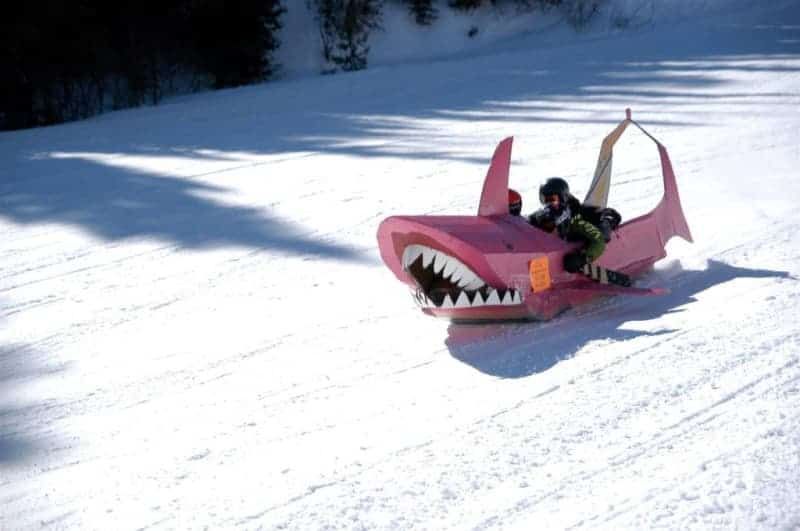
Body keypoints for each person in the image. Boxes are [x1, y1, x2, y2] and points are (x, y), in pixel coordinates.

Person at [527, 177, 621, 273]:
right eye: (544, 199)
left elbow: (599, 240)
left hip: (574, 248)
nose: (548, 204)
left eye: (552, 199)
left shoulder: (575, 221)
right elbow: (526, 223)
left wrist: (582, 259)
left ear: (562, 198)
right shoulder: (542, 215)